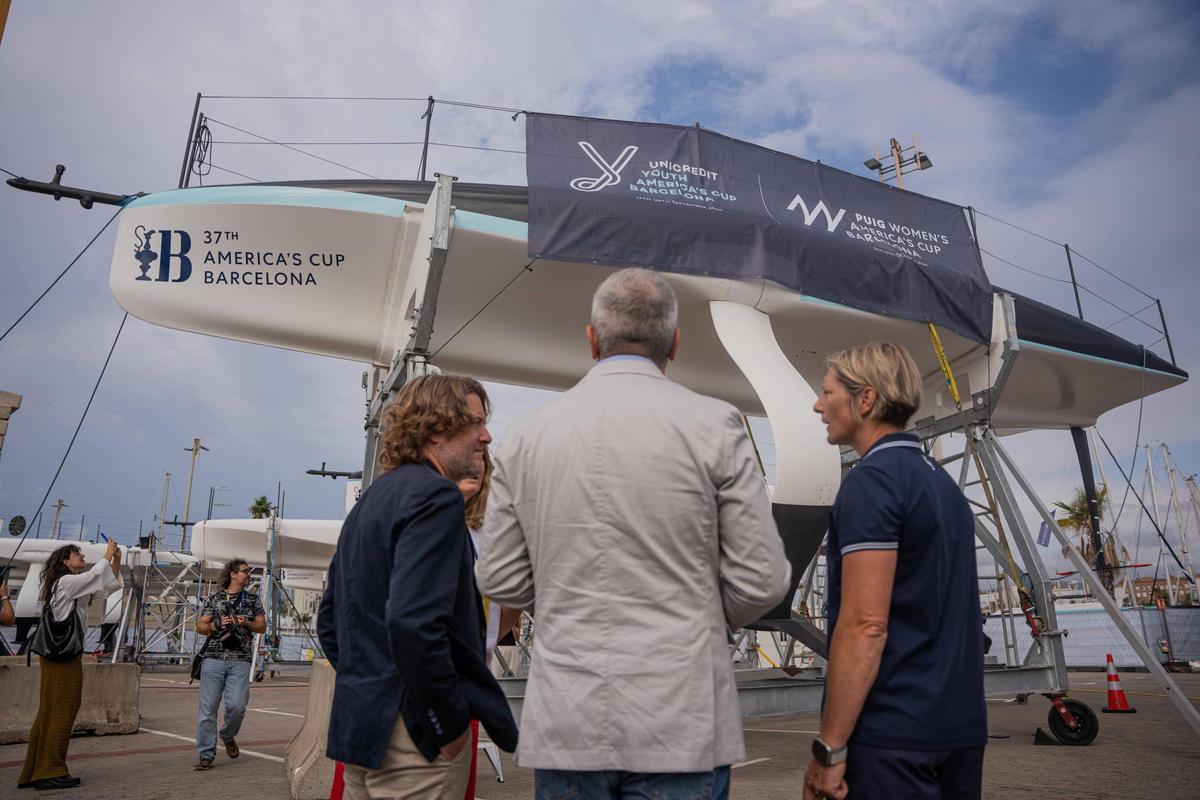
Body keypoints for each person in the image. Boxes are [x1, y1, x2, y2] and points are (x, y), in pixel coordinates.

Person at [476, 267, 791, 800]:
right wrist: (697, 615)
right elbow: (762, 580)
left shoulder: (528, 437)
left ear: (592, 339)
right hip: (681, 716)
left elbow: (499, 577)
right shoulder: (716, 425)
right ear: (675, 343)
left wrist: (562, 595)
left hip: (569, 717)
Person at [318, 374, 518, 800]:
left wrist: (372, 683)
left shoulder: (372, 499)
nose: (486, 436)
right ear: (437, 428)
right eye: (476, 423)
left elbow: (331, 623)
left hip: (360, 729)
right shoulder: (437, 498)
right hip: (414, 743)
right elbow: (413, 621)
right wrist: (444, 724)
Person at [803, 342, 986, 800]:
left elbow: (865, 626)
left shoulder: (873, 482)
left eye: (828, 393)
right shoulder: (942, 485)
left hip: (895, 737)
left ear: (865, 400)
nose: (818, 405)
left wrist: (829, 749)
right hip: (959, 730)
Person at [19, 541, 123, 791]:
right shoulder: (66, 582)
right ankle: (50, 770)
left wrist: (115, 560)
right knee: (63, 708)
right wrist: (107, 555)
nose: (83, 555)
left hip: (61, 655)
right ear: (65, 561)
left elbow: (107, 587)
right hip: (62, 657)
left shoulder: (74, 585)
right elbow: (96, 575)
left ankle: (33, 769)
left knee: (50, 709)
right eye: (77, 554)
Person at [193, 557, 266, 771]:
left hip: (240, 661)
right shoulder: (215, 599)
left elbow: (262, 627)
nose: (248, 574)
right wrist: (215, 625)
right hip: (213, 659)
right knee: (207, 711)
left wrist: (246, 623)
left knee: (237, 706)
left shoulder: (253, 600)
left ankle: (227, 734)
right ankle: (206, 754)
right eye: (244, 571)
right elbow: (200, 626)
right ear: (233, 574)